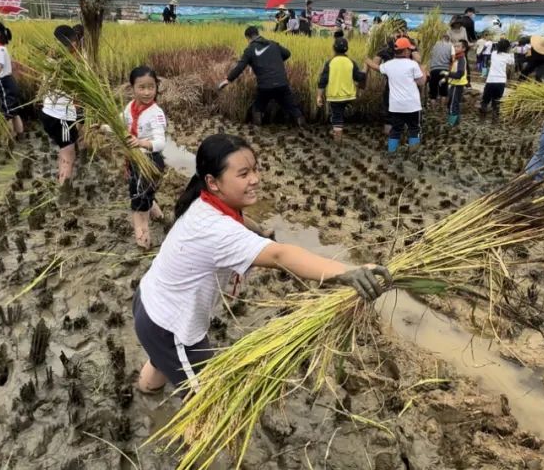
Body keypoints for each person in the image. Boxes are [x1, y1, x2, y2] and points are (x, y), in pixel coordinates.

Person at [132, 133, 392, 393]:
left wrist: (258, 231)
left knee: (162, 359)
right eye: (243, 174)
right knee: (209, 404)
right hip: (171, 328)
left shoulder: (202, 200)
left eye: (256, 169)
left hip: (148, 303)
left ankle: (145, 394)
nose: (255, 179)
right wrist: (347, 272)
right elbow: (280, 256)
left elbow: (238, 221)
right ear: (213, 182)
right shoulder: (217, 230)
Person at [122, 66, 169, 248]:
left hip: (149, 162)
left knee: (138, 208)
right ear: (132, 88)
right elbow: (122, 125)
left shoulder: (155, 113)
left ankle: (143, 247)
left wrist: (141, 143)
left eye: (151, 87)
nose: (147, 92)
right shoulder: (131, 107)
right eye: (142, 87)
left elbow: (160, 142)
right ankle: (162, 220)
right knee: (145, 196)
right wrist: (104, 127)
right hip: (135, 161)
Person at [220, 26, 304, 126]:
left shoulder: (250, 49)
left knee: (258, 107)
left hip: (265, 86)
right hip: (282, 83)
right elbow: (287, 53)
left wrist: (228, 80)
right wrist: (276, 61)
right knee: (292, 107)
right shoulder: (273, 44)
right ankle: (301, 124)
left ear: (248, 38)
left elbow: (240, 67)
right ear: (257, 33)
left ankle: (257, 130)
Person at [40, 25, 84, 183]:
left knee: (64, 150)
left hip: (49, 113)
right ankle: (64, 191)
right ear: (72, 43)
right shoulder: (67, 65)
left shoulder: (50, 60)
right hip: (61, 117)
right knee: (69, 153)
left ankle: (61, 178)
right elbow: (78, 88)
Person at [366, 37, 424, 152]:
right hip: (412, 105)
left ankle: (391, 153)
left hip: (396, 106)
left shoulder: (389, 65)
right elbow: (421, 82)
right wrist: (423, 70)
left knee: (396, 130)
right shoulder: (413, 65)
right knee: (414, 129)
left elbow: (377, 68)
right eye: (410, 50)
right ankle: (413, 154)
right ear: (406, 51)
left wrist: (367, 61)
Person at [316, 37, 366, 141]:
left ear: (334, 48)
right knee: (341, 113)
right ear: (347, 49)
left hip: (335, 96)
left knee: (337, 116)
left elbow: (323, 81)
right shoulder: (351, 62)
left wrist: (319, 96)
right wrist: (366, 68)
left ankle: (337, 140)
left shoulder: (330, 62)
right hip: (349, 96)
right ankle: (339, 127)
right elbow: (359, 77)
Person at [480, 39, 513, 117]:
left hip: (491, 80)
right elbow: (512, 63)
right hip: (501, 81)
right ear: (507, 48)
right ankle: (495, 113)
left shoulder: (493, 54)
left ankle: (483, 110)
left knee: (486, 97)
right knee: (497, 99)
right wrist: (511, 52)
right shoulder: (508, 56)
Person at [445, 39, 470, 126]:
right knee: (453, 103)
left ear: (464, 49)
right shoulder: (457, 57)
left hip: (457, 84)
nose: (455, 48)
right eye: (454, 46)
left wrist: (448, 74)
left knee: (453, 104)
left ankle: (452, 124)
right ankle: (455, 122)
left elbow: (460, 74)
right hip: (454, 84)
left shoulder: (461, 59)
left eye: (458, 46)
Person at [426, 34, 453, 109]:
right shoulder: (451, 46)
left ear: (441, 38)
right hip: (445, 70)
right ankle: (441, 109)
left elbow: (430, 56)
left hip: (434, 70)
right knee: (443, 91)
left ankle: (433, 110)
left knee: (433, 92)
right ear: (448, 39)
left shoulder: (434, 45)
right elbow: (452, 59)